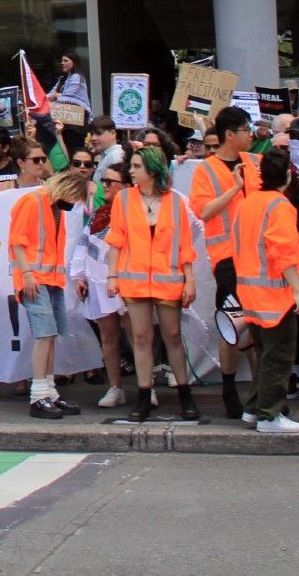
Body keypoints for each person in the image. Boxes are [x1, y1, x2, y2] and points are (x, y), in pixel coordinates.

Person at [106, 146, 198, 423]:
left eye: (136, 166)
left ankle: (185, 395)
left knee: (172, 337)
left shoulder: (175, 202)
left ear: (152, 170)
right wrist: (112, 276)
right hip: (134, 280)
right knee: (141, 337)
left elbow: (184, 246)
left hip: (168, 279)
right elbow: (116, 241)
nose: (131, 171)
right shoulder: (123, 200)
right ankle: (143, 397)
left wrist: (189, 280)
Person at [191, 104, 262, 419]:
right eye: (245, 129)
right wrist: (235, 187)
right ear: (230, 134)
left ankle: (263, 391)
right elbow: (203, 211)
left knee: (262, 323)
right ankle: (230, 388)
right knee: (232, 324)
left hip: (259, 258)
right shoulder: (205, 170)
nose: (250, 134)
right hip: (228, 260)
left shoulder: (255, 162)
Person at [232, 149, 299, 433]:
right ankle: (269, 415)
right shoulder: (280, 206)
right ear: (287, 177)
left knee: (265, 353)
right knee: (279, 355)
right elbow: (284, 252)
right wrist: (297, 292)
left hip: (251, 292)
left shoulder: (248, 203)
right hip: (275, 295)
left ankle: (254, 409)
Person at [10, 169, 84, 418]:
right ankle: (39, 395)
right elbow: (17, 240)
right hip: (35, 278)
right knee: (44, 336)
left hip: (50, 278)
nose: (71, 204)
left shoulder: (52, 206)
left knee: (50, 336)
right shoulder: (32, 201)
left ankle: (48, 392)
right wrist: (28, 275)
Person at [73, 159, 128, 409]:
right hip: (99, 280)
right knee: (108, 337)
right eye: (102, 180)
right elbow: (84, 244)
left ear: (126, 185)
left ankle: (147, 388)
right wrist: (79, 275)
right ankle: (115, 387)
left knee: (139, 335)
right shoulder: (99, 213)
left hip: (129, 280)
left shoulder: (136, 211)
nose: (103, 185)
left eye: (109, 181)